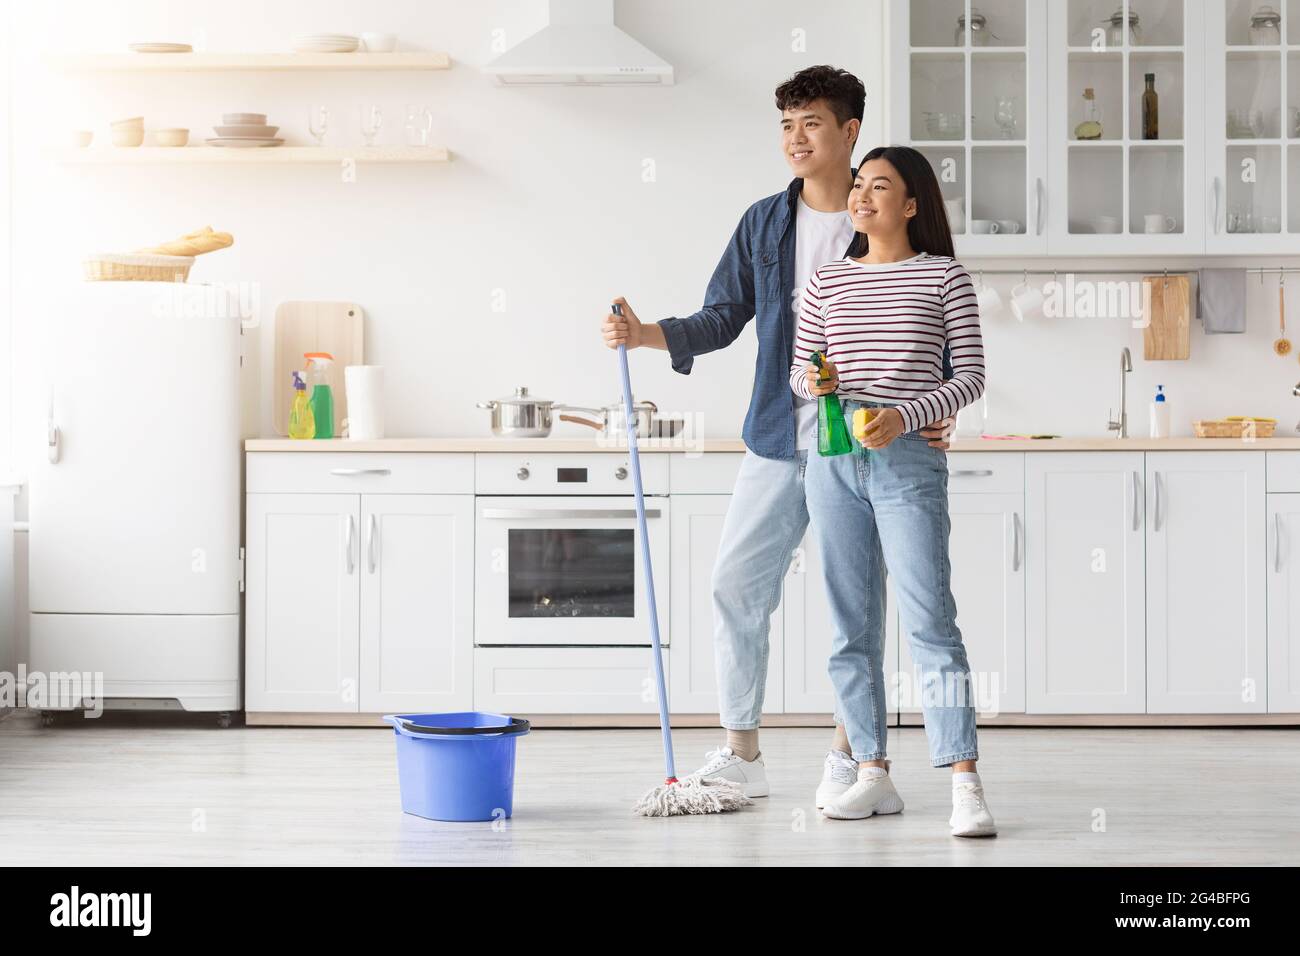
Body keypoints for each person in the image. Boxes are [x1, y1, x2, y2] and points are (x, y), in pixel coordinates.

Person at [601, 67, 957, 805]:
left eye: (812, 124)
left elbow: (932, 304)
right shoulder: (766, 222)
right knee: (735, 585)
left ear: (849, 132)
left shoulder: (884, 206)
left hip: (865, 447)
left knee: (855, 606)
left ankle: (850, 753)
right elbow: (721, 316)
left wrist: (932, 406)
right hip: (778, 435)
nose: (796, 139)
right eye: (787, 126)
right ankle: (743, 752)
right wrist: (644, 335)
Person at [791, 145, 996, 836]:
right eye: (859, 185)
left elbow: (969, 377)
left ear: (911, 206)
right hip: (833, 460)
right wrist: (817, 383)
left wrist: (906, 416)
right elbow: (801, 371)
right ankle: (872, 774)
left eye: (881, 186)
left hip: (907, 460)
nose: (863, 195)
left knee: (930, 622)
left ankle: (964, 780)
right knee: (851, 627)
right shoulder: (826, 281)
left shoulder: (944, 278)